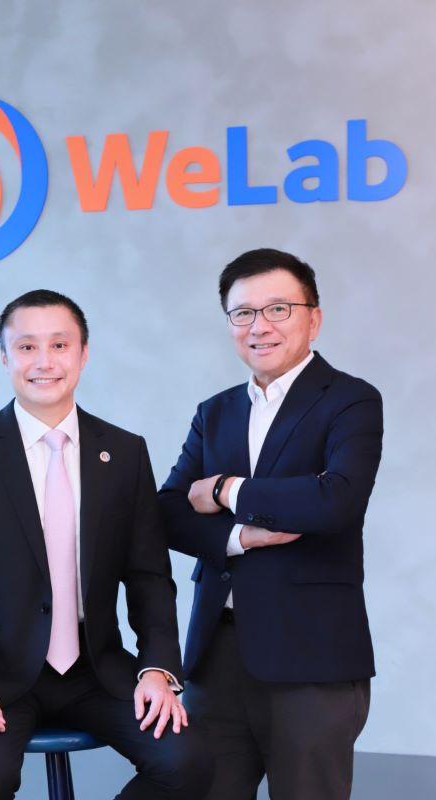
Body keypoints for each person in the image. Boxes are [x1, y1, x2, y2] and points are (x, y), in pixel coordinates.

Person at [0, 290, 212, 799]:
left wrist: (158, 669)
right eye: (26, 347)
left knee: (189, 762)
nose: (44, 361)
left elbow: (148, 576)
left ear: (83, 353)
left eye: (59, 345)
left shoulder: (124, 452)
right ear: (4, 357)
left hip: (97, 670)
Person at [159, 248, 383, 800]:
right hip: (217, 655)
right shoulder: (215, 411)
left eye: (278, 309)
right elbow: (167, 512)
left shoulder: (351, 400)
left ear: (314, 318)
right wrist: (238, 536)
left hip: (311, 658)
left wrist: (223, 489)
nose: (259, 326)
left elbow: (334, 501)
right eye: (243, 313)